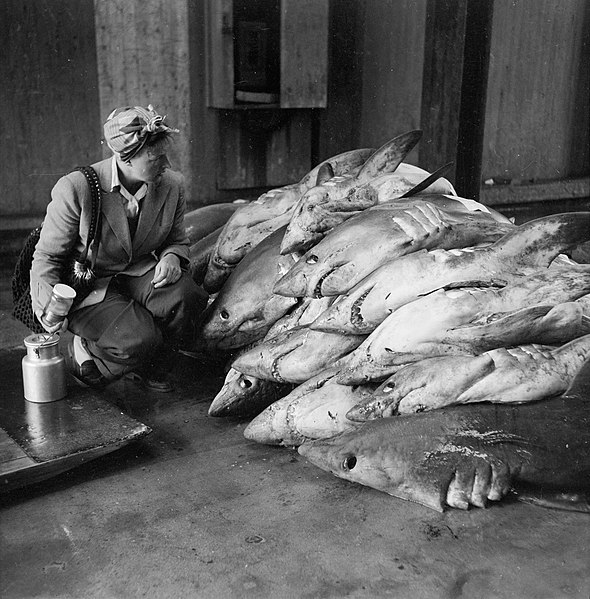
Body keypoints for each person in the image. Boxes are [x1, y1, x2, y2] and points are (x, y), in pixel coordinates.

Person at [30, 105, 207, 392]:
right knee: (138, 339)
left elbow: (176, 240)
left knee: (188, 298)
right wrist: (48, 309)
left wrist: (172, 256)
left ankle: (154, 366)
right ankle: (89, 351)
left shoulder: (172, 185)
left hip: (137, 272)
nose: (168, 165)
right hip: (89, 284)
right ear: (125, 157)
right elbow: (47, 257)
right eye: (156, 157)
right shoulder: (77, 188)